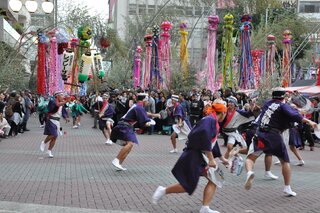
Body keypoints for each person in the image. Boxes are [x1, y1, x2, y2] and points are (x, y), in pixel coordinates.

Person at [152, 102, 227, 213]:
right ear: (223, 113)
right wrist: (211, 159)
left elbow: (212, 142)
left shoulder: (213, 121)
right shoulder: (209, 120)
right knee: (187, 186)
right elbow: (205, 138)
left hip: (202, 157)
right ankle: (163, 190)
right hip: (194, 156)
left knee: (215, 180)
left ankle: (205, 207)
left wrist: (221, 158)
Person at [244, 88, 317, 196]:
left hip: (260, 133)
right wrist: (309, 121)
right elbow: (294, 116)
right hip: (274, 135)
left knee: (250, 158)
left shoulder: (267, 103)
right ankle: (287, 187)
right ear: (283, 97)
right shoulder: (283, 106)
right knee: (285, 162)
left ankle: (249, 172)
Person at [110, 93, 160, 171]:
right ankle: (116, 160)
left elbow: (145, 114)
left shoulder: (137, 106)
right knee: (130, 144)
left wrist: (155, 115)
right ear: (144, 100)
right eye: (147, 101)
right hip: (125, 126)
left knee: (129, 146)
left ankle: (119, 163)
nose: (148, 103)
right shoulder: (139, 107)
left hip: (124, 126)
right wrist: (149, 124)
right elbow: (143, 122)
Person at [39, 91, 69, 158]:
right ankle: (43, 142)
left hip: (57, 121)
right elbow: (57, 105)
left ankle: (49, 150)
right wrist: (66, 101)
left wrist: (66, 117)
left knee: (55, 137)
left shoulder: (61, 104)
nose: (62, 97)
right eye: (61, 95)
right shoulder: (53, 101)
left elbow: (63, 111)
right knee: (53, 134)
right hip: (51, 120)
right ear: (57, 96)